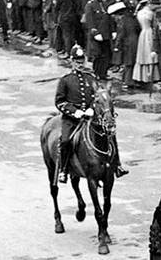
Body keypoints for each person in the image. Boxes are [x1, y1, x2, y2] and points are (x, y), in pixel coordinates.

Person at [53, 44, 128, 187]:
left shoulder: (91, 78)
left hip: (90, 117)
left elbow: (98, 97)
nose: (80, 64)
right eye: (77, 61)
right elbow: (59, 102)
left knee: (110, 134)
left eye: (82, 61)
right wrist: (75, 112)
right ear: (71, 61)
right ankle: (63, 170)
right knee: (65, 141)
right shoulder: (65, 80)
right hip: (72, 119)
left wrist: (93, 109)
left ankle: (117, 165)